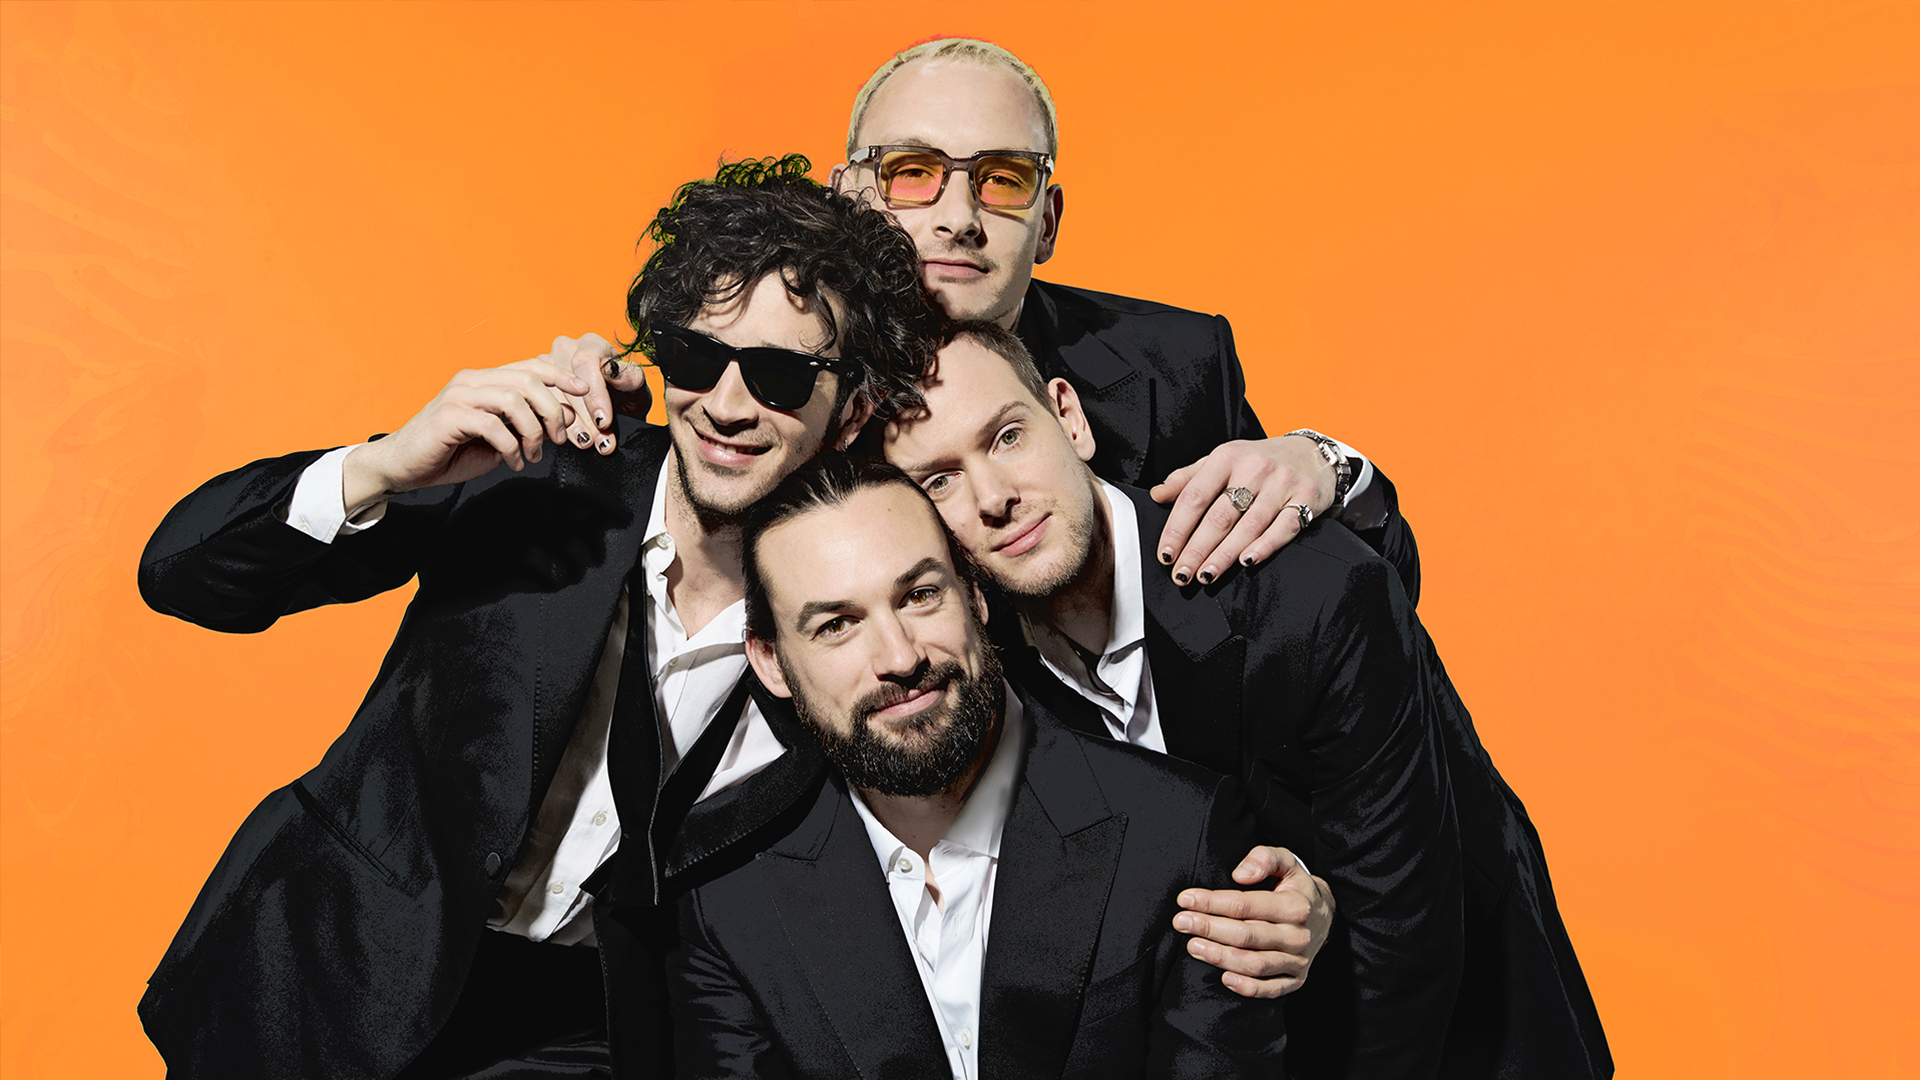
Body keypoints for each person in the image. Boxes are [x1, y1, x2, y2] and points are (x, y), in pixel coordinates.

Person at [135, 156, 941, 1080]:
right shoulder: (538, 472)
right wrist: (385, 465)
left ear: (852, 413)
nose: (725, 406)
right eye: (694, 357)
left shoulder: (860, 617)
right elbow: (185, 574)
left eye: (779, 377)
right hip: (321, 975)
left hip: (584, 1033)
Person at [880, 322, 1613, 1079]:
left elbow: (1405, 939)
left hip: (1464, 1034)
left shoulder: (1315, 596)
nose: (994, 498)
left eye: (1007, 437)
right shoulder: (985, 679)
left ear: (1069, 417)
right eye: (939, 482)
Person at [668, 452, 1286, 1078]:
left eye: (920, 595)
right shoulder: (725, 895)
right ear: (771, 662)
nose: (900, 658)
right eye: (837, 625)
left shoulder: (1182, 834)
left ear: (973, 594)